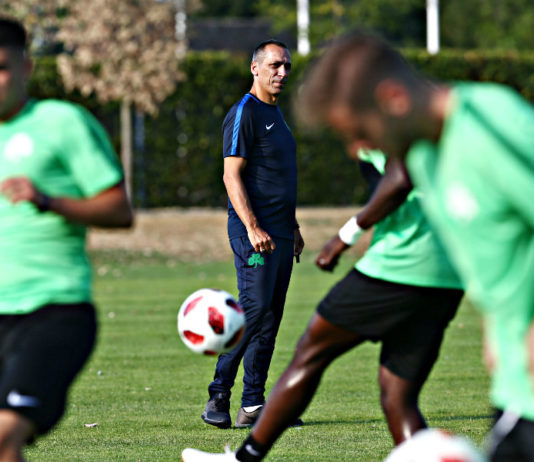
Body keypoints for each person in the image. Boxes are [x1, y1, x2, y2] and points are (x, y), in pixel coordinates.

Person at [292, 31, 534, 462]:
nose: (357, 150)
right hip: (517, 391)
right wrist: (497, 328)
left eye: (360, 132)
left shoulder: (489, 125)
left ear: (393, 99)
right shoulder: (424, 156)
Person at [182, 142, 464, 461]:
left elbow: (399, 178)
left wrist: (345, 236)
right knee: (398, 394)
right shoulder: (434, 134)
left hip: (399, 264)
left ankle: (243, 456)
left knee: (310, 353)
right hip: (446, 272)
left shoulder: (389, 129)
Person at [0, 17, 133, 461]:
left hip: (53, 311)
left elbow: (119, 210)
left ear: (26, 68)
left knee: (3, 436)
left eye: (2, 68)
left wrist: (47, 200)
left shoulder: (62, 123)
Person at [200, 39, 305, 430]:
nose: (282, 72)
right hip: (254, 233)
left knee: (270, 317)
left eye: (287, 66)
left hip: (280, 233)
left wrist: (293, 226)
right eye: (275, 65)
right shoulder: (244, 111)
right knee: (255, 309)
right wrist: (253, 226)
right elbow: (231, 175)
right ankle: (218, 395)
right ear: (255, 68)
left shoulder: (276, 114)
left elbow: (278, 179)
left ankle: (254, 404)